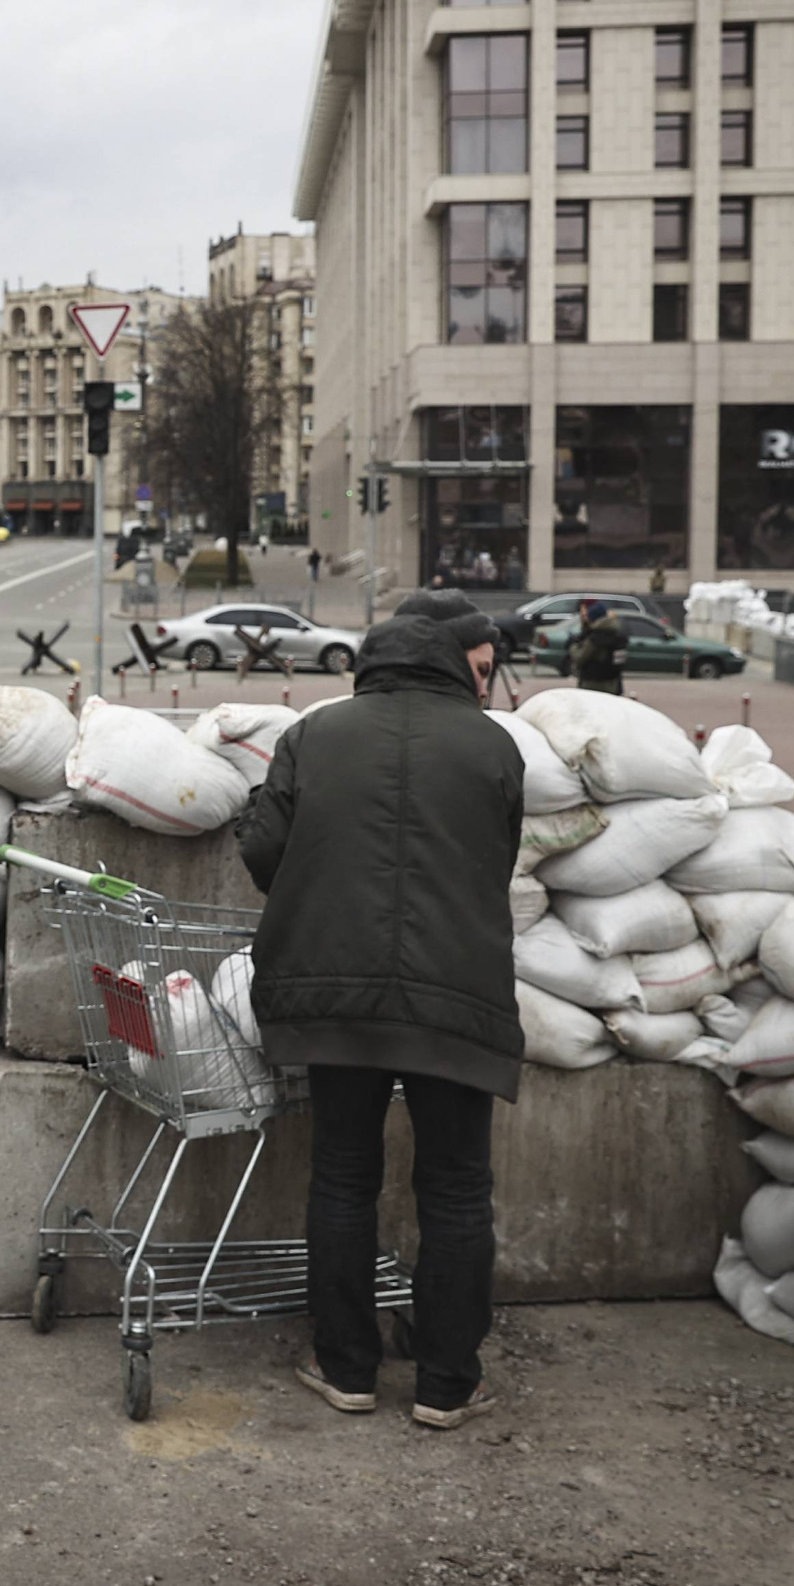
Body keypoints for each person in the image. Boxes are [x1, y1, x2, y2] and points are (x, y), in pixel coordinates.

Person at [235, 587, 522, 1430]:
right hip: (457, 998)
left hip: (335, 995)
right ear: (448, 660)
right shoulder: (493, 745)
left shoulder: (313, 733)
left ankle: (347, 1366)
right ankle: (446, 1382)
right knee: (459, 1188)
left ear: (372, 656)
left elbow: (262, 853)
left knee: (344, 1177)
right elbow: (495, 858)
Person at [570, 599, 628, 695]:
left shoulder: (595, 638)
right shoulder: (617, 634)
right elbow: (620, 662)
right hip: (613, 684)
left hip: (592, 685)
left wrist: (573, 647)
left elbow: (579, 658)